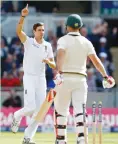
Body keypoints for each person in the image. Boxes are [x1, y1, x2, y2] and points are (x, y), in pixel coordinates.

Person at [53, 14, 115, 144]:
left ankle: (61, 140)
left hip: (64, 78)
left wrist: (58, 73)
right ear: (80, 27)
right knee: (80, 110)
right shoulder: (86, 42)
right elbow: (96, 62)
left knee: (61, 110)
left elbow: (60, 56)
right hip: (81, 80)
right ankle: (81, 139)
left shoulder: (63, 40)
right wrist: (106, 76)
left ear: (67, 27)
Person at [11, 4, 56, 144]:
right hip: (29, 77)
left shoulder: (47, 45)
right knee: (30, 108)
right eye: (39, 30)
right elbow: (18, 31)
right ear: (34, 31)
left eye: (43, 30)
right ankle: (17, 115)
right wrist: (23, 16)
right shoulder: (29, 42)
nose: (42, 32)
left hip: (41, 79)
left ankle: (27, 137)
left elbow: (54, 65)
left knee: (40, 112)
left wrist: (48, 61)